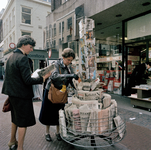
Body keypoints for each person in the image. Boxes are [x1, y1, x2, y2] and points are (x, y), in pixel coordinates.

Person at [1, 35, 51, 150]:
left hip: (12, 94)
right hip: (22, 95)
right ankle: (20, 148)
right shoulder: (23, 58)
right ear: (23, 45)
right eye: (31, 47)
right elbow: (27, 80)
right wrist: (43, 78)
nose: (32, 49)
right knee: (23, 122)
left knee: (15, 118)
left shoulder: (11, 56)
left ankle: (12, 140)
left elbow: (12, 77)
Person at [39, 48, 79, 142]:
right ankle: (47, 133)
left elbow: (70, 80)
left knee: (60, 113)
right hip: (51, 92)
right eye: (68, 59)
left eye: (71, 60)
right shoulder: (55, 64)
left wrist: (76, 88)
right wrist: (71, 76)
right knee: (48, 113)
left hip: (61, 92)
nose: (69, 62)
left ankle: (58, 133)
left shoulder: (69, 67)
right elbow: (54, 76)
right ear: (63, 57)